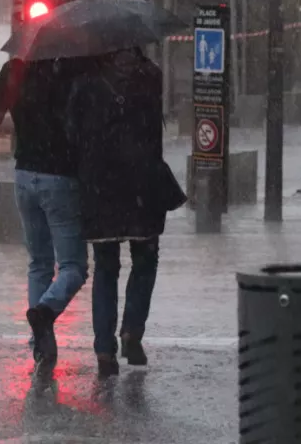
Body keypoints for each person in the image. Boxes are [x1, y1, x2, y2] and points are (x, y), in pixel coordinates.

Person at [0, 57, 90, 374]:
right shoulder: (72, 68)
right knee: (74, 267)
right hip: (60, 178)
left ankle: (40, 345)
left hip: (24, 176)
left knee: (39, 262)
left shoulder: (16, 68)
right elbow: (87, 124)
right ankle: (44, 312)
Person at [67, 47, 186, 377]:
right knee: (146, 259)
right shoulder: (151, 75)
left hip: (100, 187)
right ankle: (132, 329)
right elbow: (154, 132)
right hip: (142, 185)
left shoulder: (85, 82)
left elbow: (72, 134)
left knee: (106, 266)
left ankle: (104, 349)